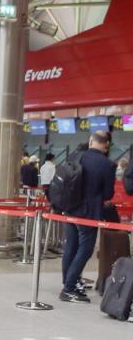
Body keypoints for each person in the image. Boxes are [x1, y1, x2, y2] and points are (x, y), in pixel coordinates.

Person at [60, 130, 116, 303]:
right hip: (89, 213)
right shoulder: (108, 165)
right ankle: (69, 288)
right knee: (85, 250)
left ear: (91, 141)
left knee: (70, 248)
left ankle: (69, 282)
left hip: (70, 209)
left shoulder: (77, 156)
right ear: (106, 145)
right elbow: (108, 193)